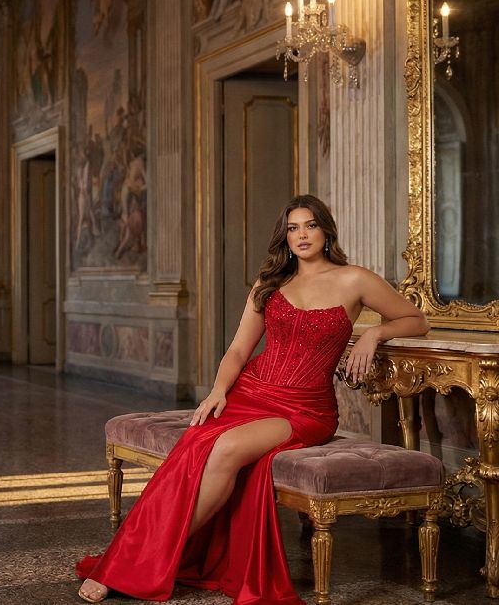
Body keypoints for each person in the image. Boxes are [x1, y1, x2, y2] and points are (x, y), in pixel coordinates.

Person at [76, 194, 430, 603]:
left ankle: (139, 561)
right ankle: (136, 557)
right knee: (195, 446)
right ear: (285, 236)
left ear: (326, 231)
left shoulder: (356, 280)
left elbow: (416, 319)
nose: (302, 235)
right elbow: (238, 351)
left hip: (305, 408)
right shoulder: (270, 283)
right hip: (251, 390)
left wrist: (374, 333)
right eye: (293, 228)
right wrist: (218, 391)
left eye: (310, 225)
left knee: (226, 447)